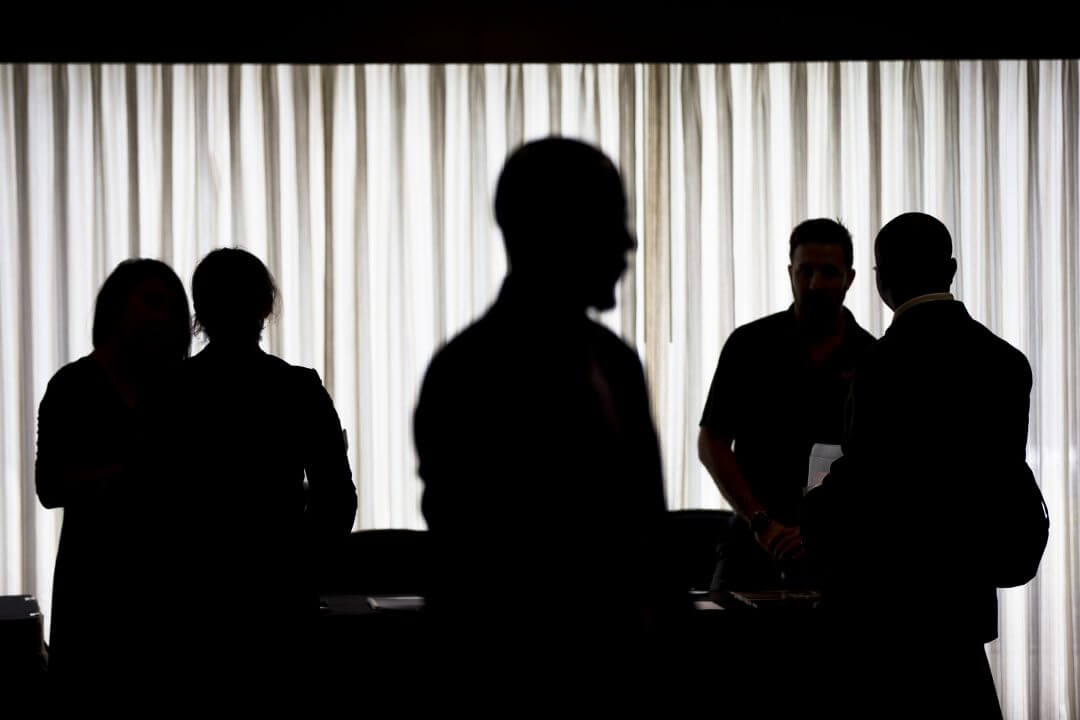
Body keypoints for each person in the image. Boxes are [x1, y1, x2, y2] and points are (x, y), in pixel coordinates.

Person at [413, 137, 678, 707]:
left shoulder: (616, 360)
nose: (629, 242)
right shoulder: (469, 373)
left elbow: (647, 533)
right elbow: (482, 570)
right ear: (553, 230)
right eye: (612, 221)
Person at [803, 212, 1043, 718]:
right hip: (963, 597)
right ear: (951, 269)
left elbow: (866, 479)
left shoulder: (879, 363)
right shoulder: (1006, 362)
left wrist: (811, 518)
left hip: (885, 605)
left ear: (879, 280)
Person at [169, 248, 357, 699]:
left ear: (200, 311)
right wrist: (299, 568)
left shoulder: (172, 390)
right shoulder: (298, 388)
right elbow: (337, 498)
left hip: (189, 600)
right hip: (280, 600)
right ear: (266, 306)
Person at [35, 258, 192, 705]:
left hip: (168, 592)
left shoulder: (180, 389)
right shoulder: (71, 386)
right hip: (93, 588)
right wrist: (135, 474)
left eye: (171, 308)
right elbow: (49, 487)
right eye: (151, 302)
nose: (162, 316)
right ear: (116, 308)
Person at [698, 218, 875, 590]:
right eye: (805, 271)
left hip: (844, 553)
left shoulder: (873, 357)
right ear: (789, 272)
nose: (815, 284)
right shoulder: (748, 345)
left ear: (851, 277)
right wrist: (761, 521)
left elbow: (885, 461)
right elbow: (712, 443)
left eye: (829, 272)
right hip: (754, 541)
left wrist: (822, 529)